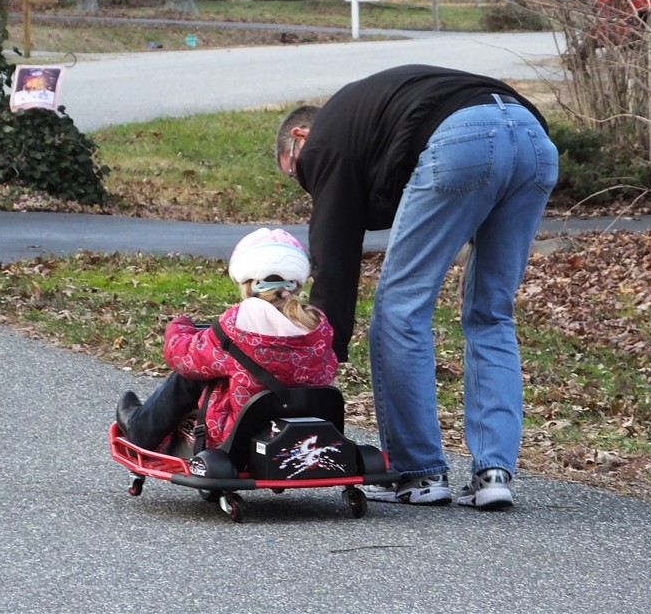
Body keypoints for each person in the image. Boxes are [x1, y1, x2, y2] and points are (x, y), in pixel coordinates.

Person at [275, 64, 558, 510]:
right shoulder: (365, 119)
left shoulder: (324, 140)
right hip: (532, 140)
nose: (306, 180)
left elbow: (335, 255)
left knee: (400, 309)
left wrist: (321, 349)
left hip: (463, 138)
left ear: (300, 137)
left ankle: (418, 473)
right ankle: (493, 474)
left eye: (296, 171)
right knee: (491, 313)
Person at [115, 228, 338, 453]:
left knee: (192, 374)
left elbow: (184, 357)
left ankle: (140, 430)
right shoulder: (318, 325)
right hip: (304, 432)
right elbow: (327, 370)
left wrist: (178, 327)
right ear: (297, 282)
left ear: (247, 283)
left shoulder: (238, 325)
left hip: (237, 438)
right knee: (235, 368)